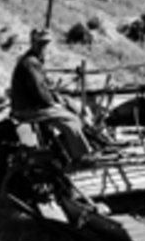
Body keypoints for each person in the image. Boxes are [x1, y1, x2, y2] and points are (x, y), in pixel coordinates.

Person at [9, 28, 92, 166]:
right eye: (41, 44)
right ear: (33, 43)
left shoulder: (32, 61)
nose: (44, 47)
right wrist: (53, 103)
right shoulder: (31, 63)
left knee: (70, 103)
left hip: (29, 106)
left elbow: (43, 84)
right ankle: (81, 157)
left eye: (46, 44)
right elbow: (39, 91)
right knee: (71, 120)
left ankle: (74, 144)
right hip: (29, 109)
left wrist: (56, 95)